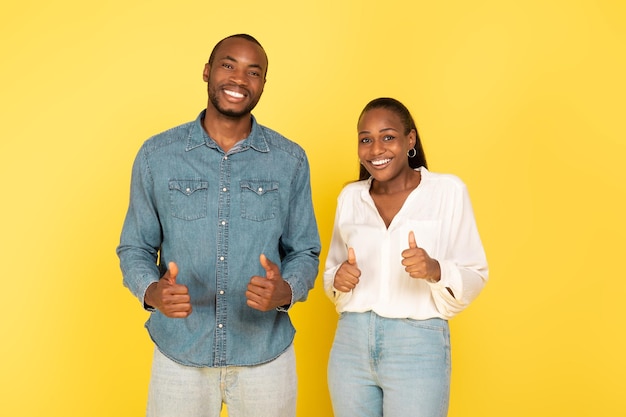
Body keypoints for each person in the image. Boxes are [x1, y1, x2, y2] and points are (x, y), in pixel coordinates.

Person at [116, 34, 321, 417]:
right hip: (180, 352)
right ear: (208, 72)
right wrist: (152, 292)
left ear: (262, 84)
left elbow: (305, 250)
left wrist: (286, 290)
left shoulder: (290, 160)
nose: (240, 79)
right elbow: (135, 247)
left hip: (264, 352)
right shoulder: (156, 156)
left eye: (253, 71)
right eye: (229, 65)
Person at [324, 97, 488, 417]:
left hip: (417, 345)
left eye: (388, 137)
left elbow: (476, 273)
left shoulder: (447, 192)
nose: (376, 149)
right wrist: (339, 279)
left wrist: (435, 269)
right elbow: (332, 272)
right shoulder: (350, 197)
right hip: (351, 344)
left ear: (409, 140)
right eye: (366, 139)